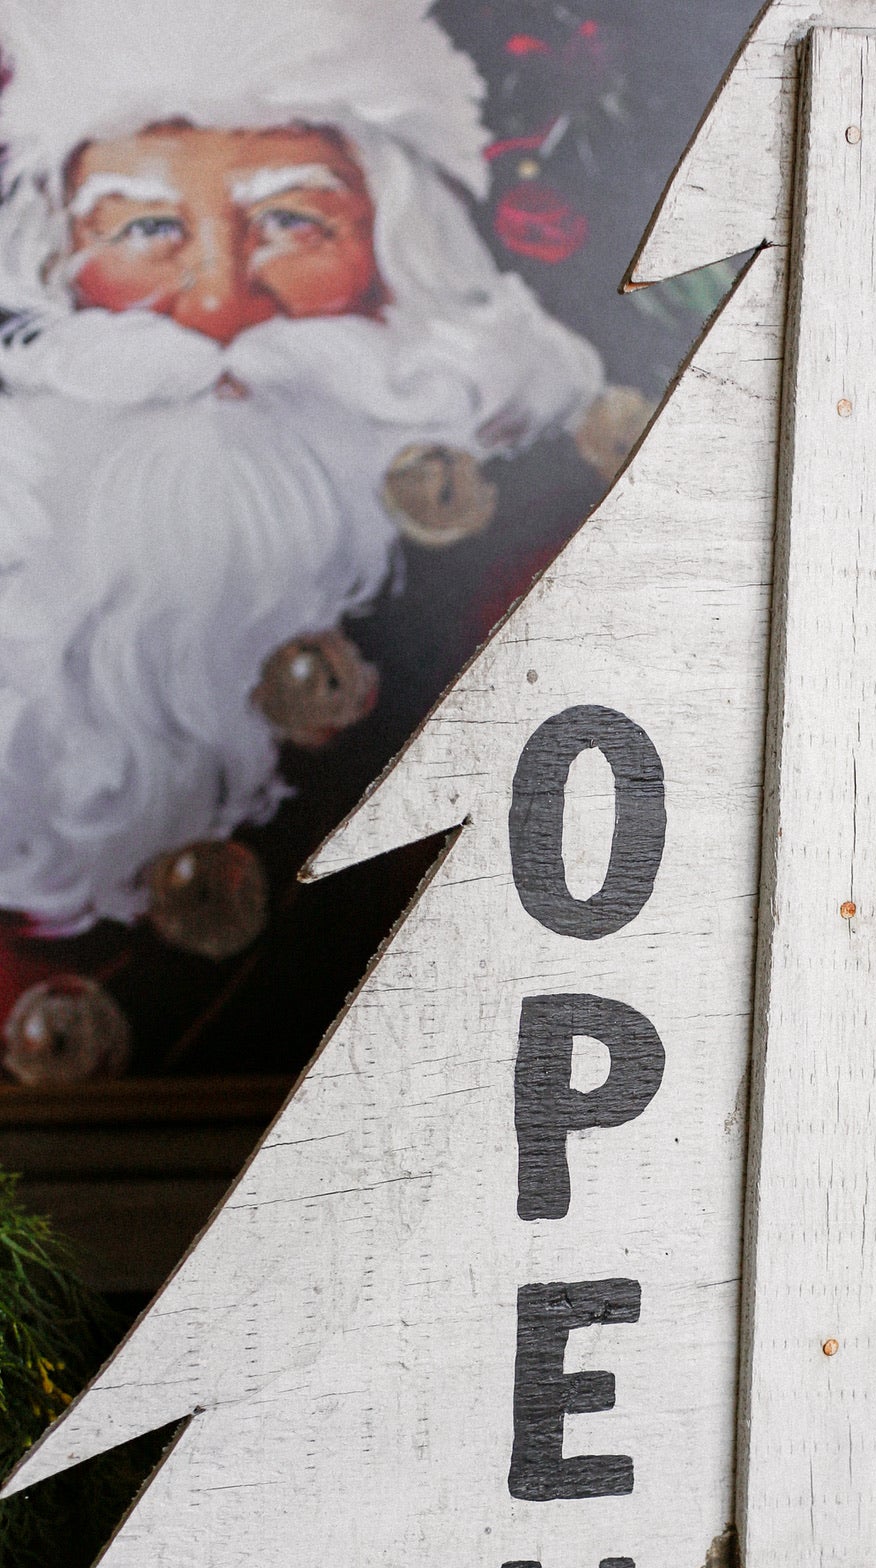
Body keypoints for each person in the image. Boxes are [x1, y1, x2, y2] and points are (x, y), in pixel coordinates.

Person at [0, 0, 623, 1037]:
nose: (216, 306)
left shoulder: (527, 576)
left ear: (398, 260)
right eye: (146, 228)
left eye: (292, 221)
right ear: (62, 265)